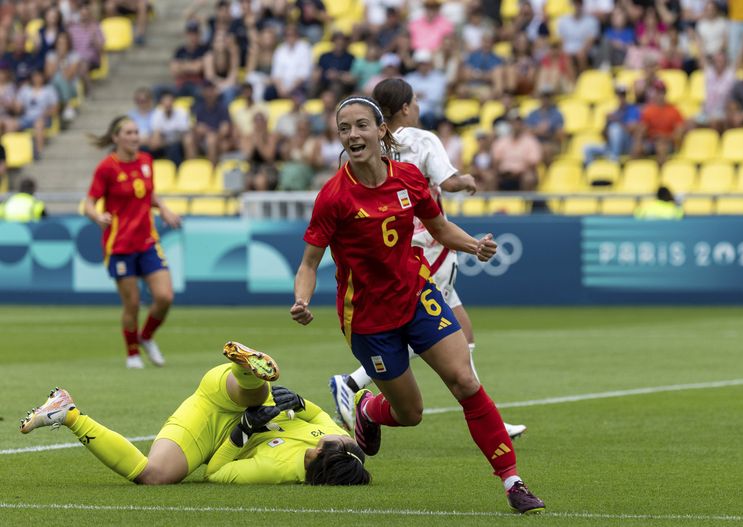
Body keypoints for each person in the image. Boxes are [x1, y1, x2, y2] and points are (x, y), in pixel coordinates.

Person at [290, 95, 544, 514]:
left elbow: (440, 228)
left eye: (361, 126)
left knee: (465, 381)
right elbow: (309, 263)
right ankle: (369, 411)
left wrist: (473, 245)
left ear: (381, 130)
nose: (353, 135)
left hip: (418, 297)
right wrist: (301, 300)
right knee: (411, 413)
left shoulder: (408, 177)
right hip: (369, 320)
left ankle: (513, 482)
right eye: (345, 129)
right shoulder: (334, 196)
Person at [326, 80, 527, 440]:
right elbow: (446, 183)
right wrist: (466, 179)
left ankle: (484, 409)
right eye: (415, 100)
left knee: (461, 329)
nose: (417, 106)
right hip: (425, 250)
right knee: (421, 326)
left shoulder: (376, 143)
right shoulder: (421, 139)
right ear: (404, 107)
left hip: (401, 245)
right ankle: (352, 381)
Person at [19, 342, 371, 486]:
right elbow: (320, 415)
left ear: (319, 461)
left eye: (331, 444)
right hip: (224, 397)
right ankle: (245, 369)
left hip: (214, 429)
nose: (333, 435)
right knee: (259, 394)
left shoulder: (278, 470)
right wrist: (297, 402)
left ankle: (68, 413)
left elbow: (216, 472)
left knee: (153, 475)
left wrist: (243, 434)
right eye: (339, 438)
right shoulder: (335, 441)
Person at [83, 116, 181, 369]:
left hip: (147, 241)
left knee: (165, 296)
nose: (135, 137)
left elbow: (149, 194)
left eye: (137, 132)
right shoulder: (107, 168)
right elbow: (89, 204)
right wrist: (97, 216)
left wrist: (165, 209)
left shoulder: (147, 161)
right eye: (129, 132)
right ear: (116, 138)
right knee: (133, 303)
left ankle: (146, 337)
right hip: (120, 245)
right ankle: (132, 353)